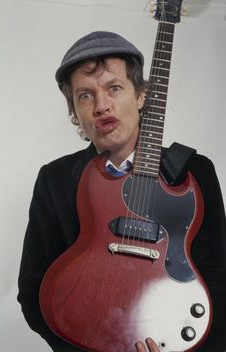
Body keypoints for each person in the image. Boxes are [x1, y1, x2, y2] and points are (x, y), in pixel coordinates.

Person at [17, 31, 226, 352]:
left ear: (141, 95)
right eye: (85, 95)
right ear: (75, 112)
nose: (101, 106)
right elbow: (32, 288)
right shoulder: (54, 179)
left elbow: (218, 273)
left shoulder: (194, 171)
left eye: (114, 88)